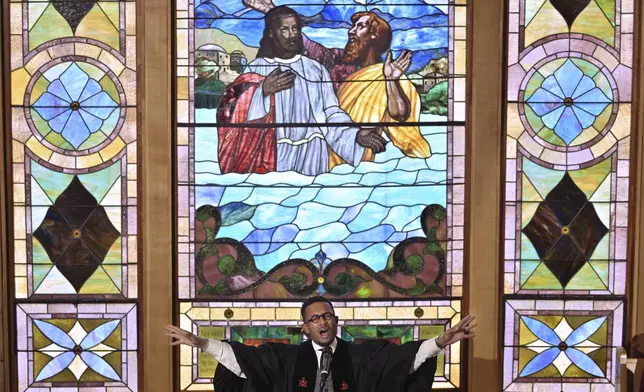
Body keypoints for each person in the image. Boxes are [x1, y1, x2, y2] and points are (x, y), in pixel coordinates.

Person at [242, 0, 431, 170]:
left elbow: (400, 115)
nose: (351, 31)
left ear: (374, 35)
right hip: (321, 149)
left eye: (360, 27)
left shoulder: (387, 73)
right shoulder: (335, 61)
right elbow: (303, 46)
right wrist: (275, 13)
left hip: (356, 155)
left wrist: (391, 81)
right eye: (353, 26)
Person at [166, 296, 477, 392]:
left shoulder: (362, 355)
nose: (323, 322)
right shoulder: (285, 357)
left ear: (336, 320)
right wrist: (201, 342)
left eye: (327, 316)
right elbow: (244, 362)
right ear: (305, 327)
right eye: (315, 319)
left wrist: (440, 341)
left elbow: (403, 361)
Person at [216, 6, 387, 176]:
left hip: (312, 155)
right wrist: (262, 92)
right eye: (284, 29)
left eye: (295, 28)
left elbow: (331, 113)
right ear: (271, 33)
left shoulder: (316, 69)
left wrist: (354, 135)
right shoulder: (257, 68)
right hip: (272, 154)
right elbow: (231, 112)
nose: (292, 35)